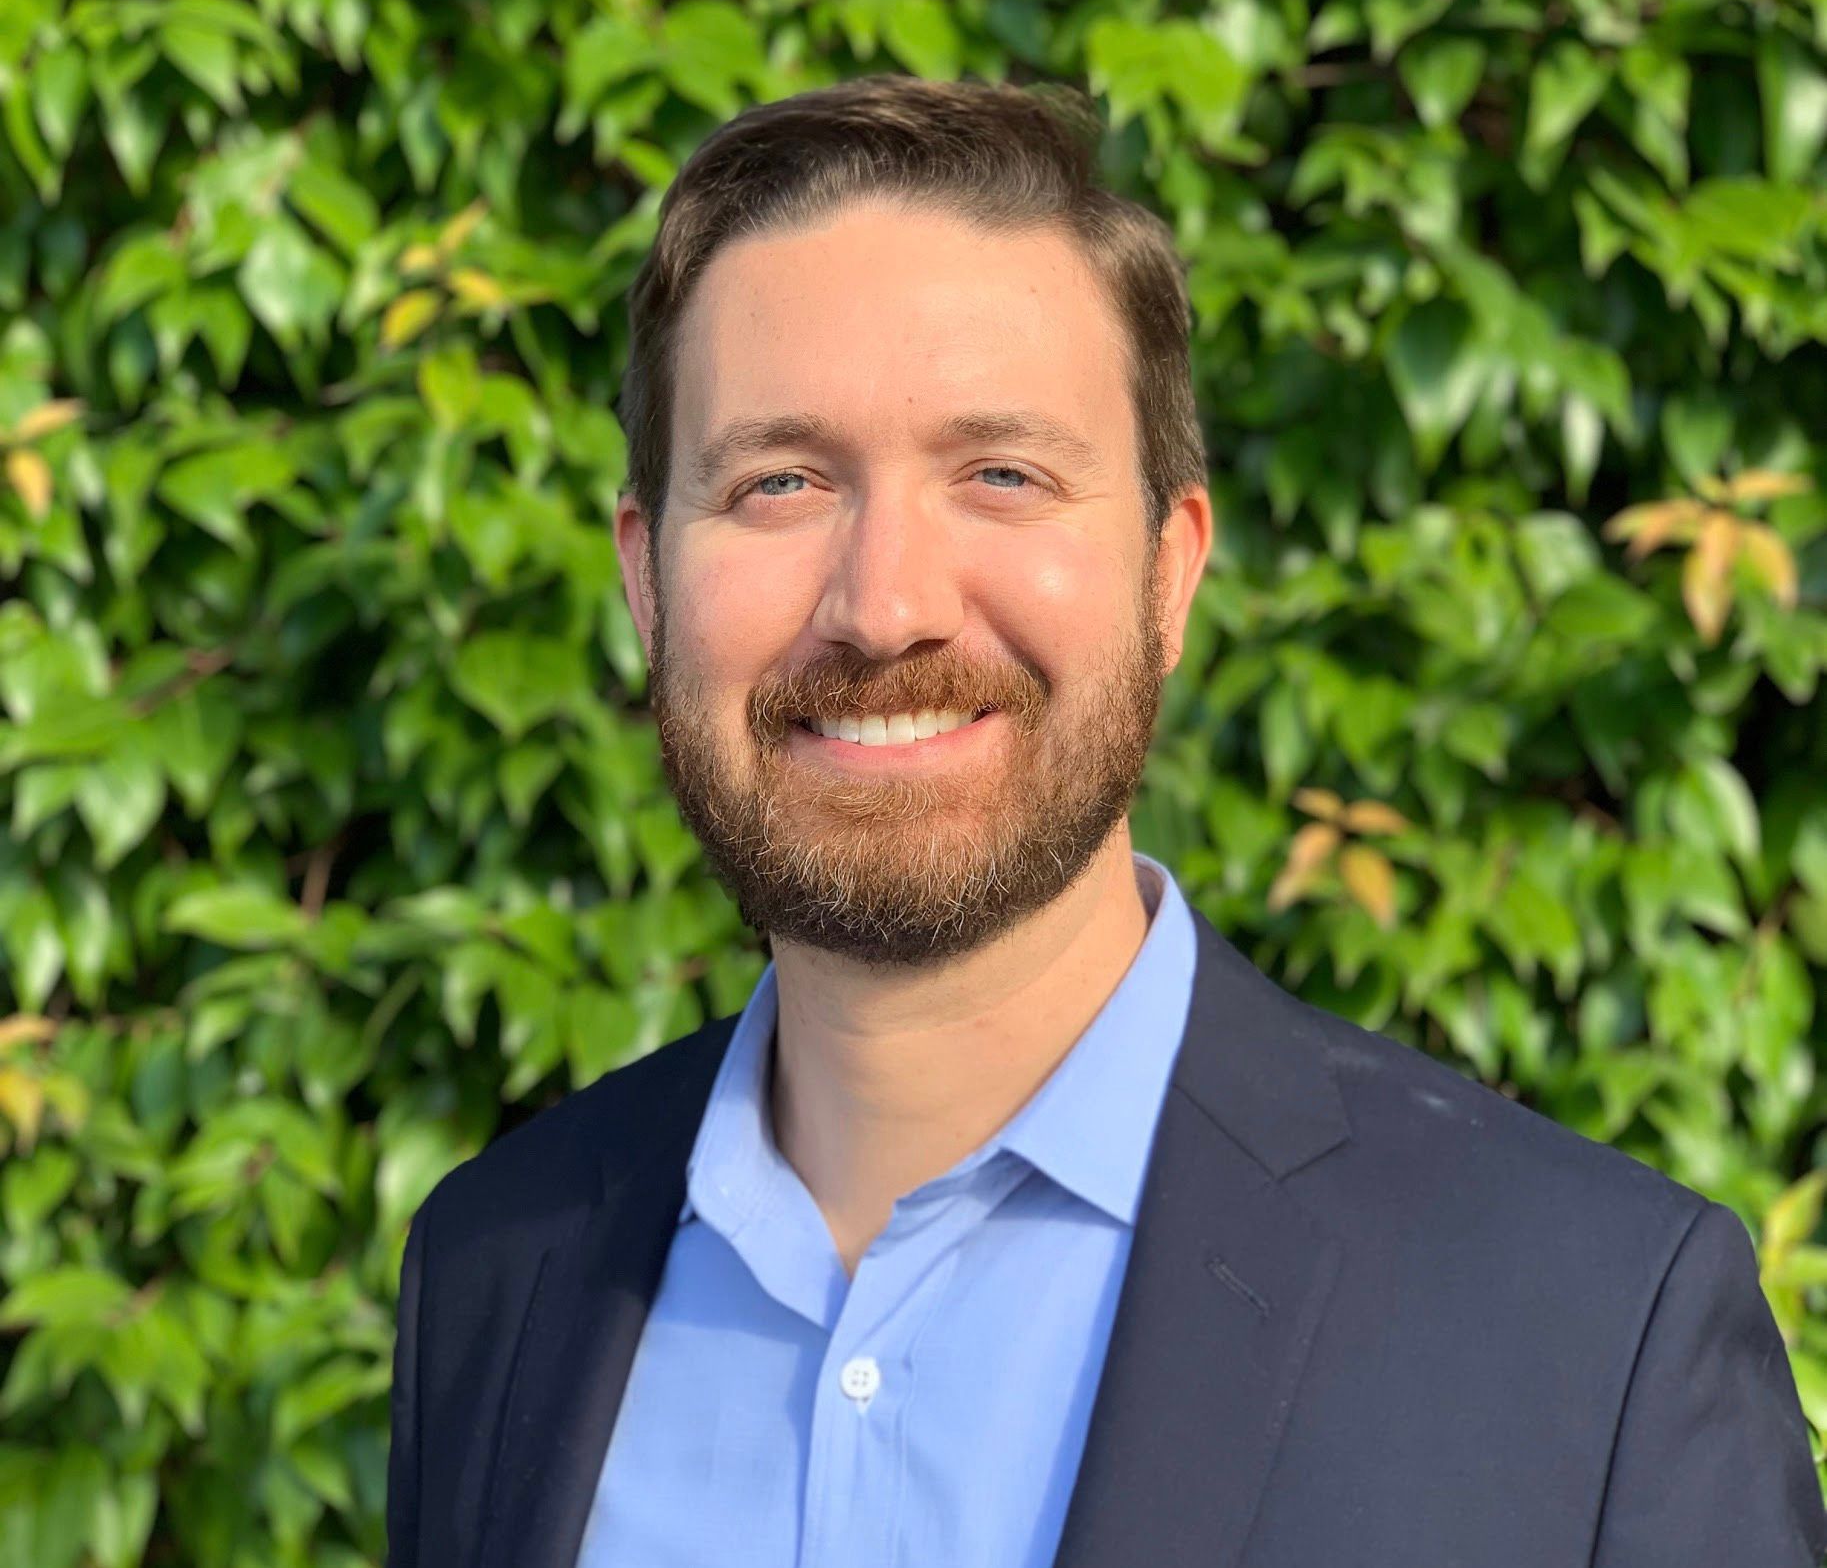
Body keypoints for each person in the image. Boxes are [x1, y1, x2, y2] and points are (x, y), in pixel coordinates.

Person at [384, 76, 1825, 1568]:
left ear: (1167, 576)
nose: (886, 608)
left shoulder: (1593, 1337)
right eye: (781, 482)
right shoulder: (498, 1271)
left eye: (1001, 475)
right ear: (647, 580)